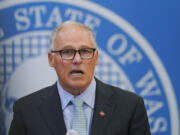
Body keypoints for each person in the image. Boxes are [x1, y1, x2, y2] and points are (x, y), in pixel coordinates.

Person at [9, 21, 151, 135]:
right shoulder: (27, 110)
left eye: (85, 51)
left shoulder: (130, 107)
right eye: (67, 51)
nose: (77, 60)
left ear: (96, 58)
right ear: (51, 59)